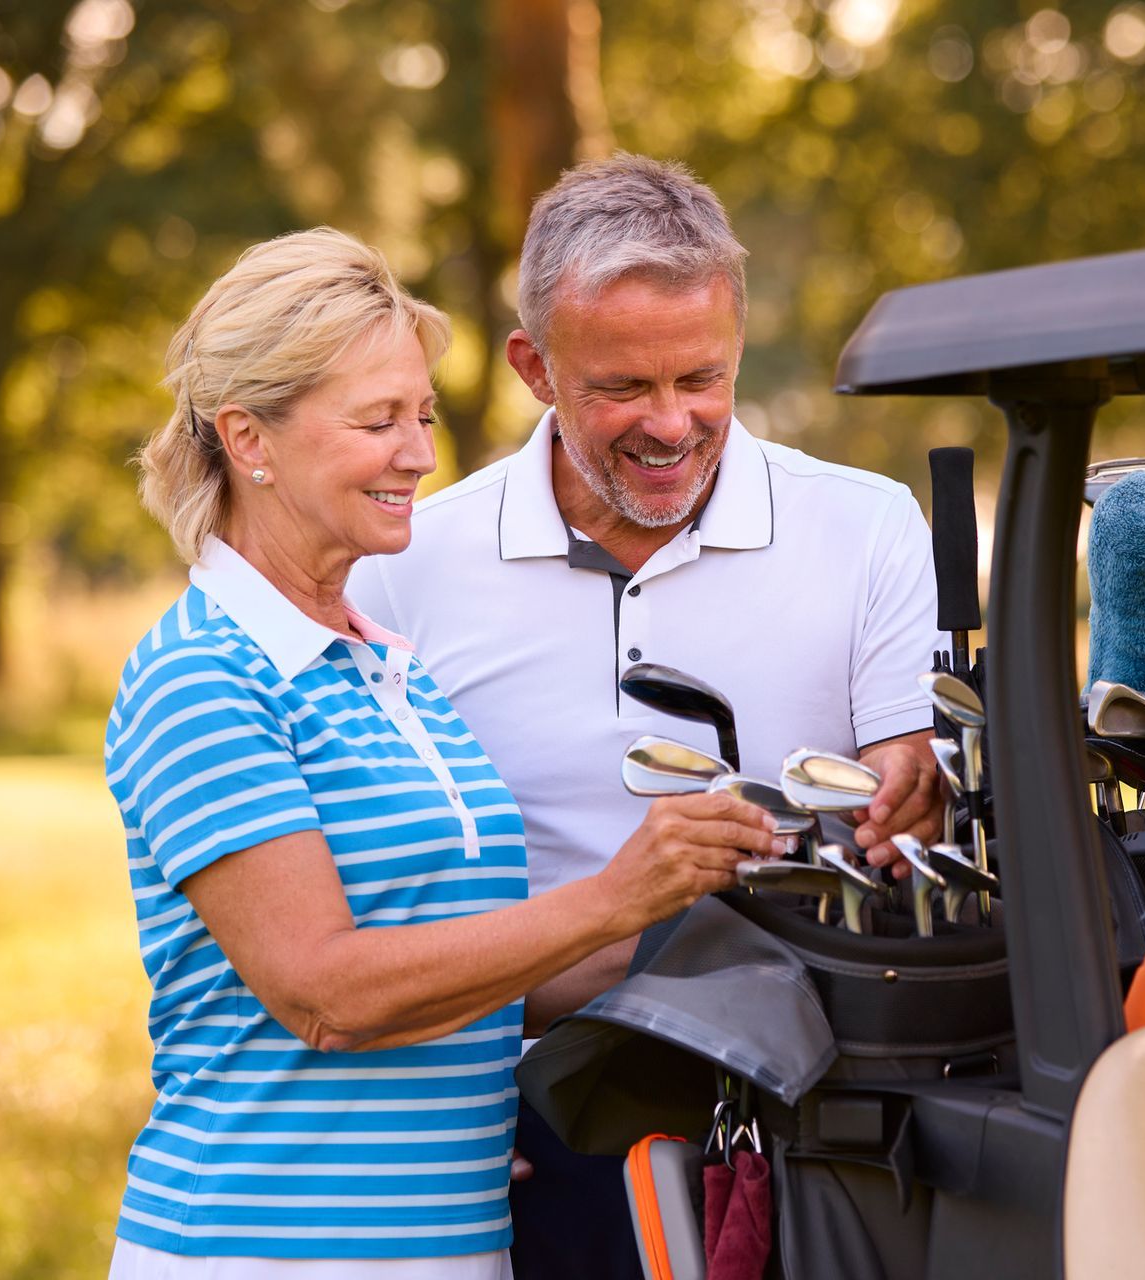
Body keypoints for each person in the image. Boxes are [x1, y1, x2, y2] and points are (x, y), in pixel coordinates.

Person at [103, 227, 781, 1277]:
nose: (419, 452)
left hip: (453, 1249)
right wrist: (611, 895)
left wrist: (744, 915)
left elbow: (489, 968)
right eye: (377, 420)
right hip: (268, 1247)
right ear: (250, 438)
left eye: (419, 415)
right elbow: (325, 991)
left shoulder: (392, 669)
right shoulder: (203, 673)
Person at [347, 153, 946, 1279]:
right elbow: (363, 893)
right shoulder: (407, 563)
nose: (672, 425)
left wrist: (915, 781)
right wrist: (427, 1112)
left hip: (800, 1109)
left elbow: (908, 797)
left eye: (702, 378)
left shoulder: (868, 526)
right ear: (534, 364)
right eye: (624, 387)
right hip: (523, 1113)